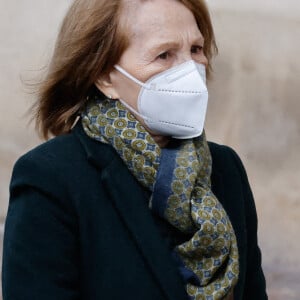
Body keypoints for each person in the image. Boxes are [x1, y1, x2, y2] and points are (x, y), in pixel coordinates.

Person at [1, 0, 268, 299]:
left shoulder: (225, 168)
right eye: (164, 55)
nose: (190, 71)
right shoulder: (51, 179)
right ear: (103, 75)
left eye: (195, 50)